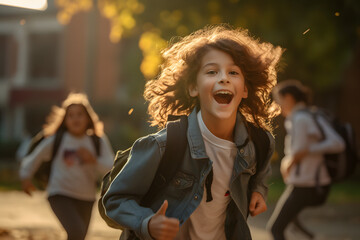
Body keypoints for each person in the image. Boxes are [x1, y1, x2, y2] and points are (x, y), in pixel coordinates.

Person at [102, 24, 283, 240]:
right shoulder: (163, 145)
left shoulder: (259, 142)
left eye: (233, 72)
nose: (223, 78)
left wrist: (258, 191)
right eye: (211, 71)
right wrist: (147, 222)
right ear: (193, 88)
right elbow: (115, 199)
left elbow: (259, 173)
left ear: (245, 89)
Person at [19, 93, 115, 240]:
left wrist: (93, 160)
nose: (75, 118)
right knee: (76, 232)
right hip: (59, 194)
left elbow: (111, 168)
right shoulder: (57, 139)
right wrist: (25, 176)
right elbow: (35, 157)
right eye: (71, 115)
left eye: (80, 114)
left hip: (86, 197)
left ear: (88, 118)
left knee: (79, 236)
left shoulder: (97, 141)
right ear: (65, 120)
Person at [267, 80, 345, 240]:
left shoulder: (301, 119)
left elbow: (337, 143)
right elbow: (298, 152)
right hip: (304, 183)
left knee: (275, 229)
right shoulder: (306, 115)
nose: (277, 104)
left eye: (278, 99)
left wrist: (302, 154)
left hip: (306, 185)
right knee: (291, 222)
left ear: (288, 98)